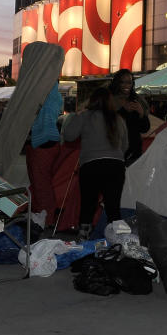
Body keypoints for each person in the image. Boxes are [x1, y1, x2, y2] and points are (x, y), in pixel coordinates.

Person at [62, 86, 128, 241]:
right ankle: (120, 241)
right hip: (116, 167)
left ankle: (83, 239)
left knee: (88, 205)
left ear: (92, 101)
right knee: (113, 208)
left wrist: (73, 116)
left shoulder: (85, 116)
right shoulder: (118, 119)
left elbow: (69, 136)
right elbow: (124, 146)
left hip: (91, 166)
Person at [26, 82, 63, 226]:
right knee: (43, 183)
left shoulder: (45, 96)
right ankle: (44, 216)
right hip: (50, 141)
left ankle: (44, 218)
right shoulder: (56, 96)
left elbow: (42, 119)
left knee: (40, 184)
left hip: (42, 141)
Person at [109, 69, 150, 166]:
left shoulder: (137, 100)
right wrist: (123, 111)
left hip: (134, 155)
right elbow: (107, 125)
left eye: (129, 82)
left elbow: (145, 129)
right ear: (117, 83)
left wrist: (141, 114)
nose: (126, 85)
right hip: (114, 154)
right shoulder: (109, 100)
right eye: (122, 82)